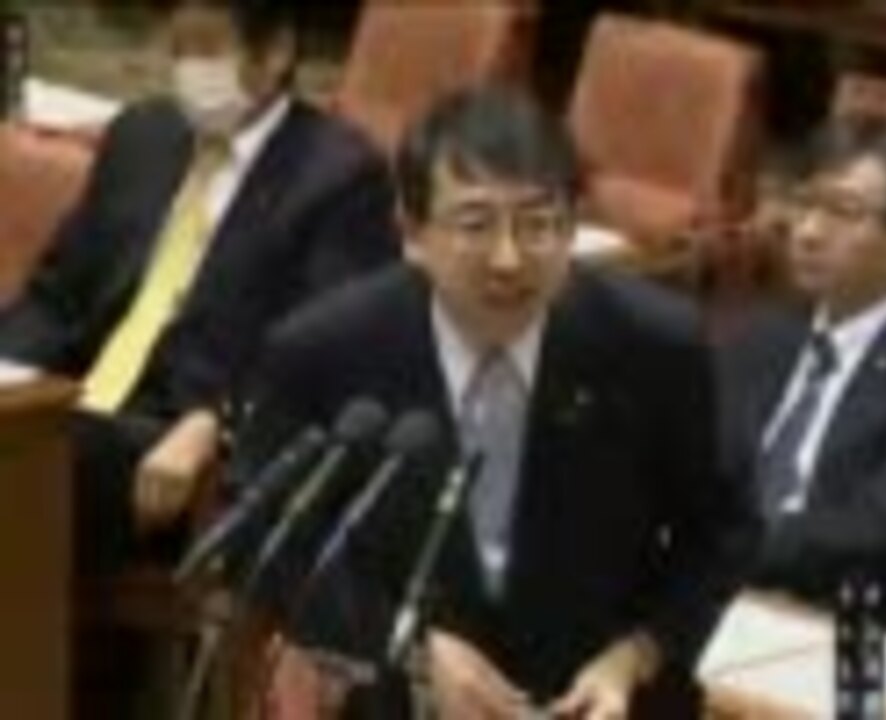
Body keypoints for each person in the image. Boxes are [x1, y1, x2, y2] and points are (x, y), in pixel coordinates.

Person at [233, 86, 753, 718]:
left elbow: (721, 533)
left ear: (573, 225)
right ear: (412, 232)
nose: (509, 260)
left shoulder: (654, 346)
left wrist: (635, 654)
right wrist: (407, 645)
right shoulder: (323, 351)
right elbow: (272, 537)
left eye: (538, 224)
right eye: (475, 225)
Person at [0, 0, 399, 571]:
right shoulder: (143, 135)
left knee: (40, 462)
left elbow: (327, 358)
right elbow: (57, 295)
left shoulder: (338, 177)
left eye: (208, 50)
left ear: (276, 51)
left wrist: (218, 423)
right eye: (178, 50)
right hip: (70, 403)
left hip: (173, 441)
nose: (189, 71)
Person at [719, 115, 886, 624]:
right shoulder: (761, 335)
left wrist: (724, 546)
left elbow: (883, 527)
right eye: (804, 202)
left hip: (850, 618)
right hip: (722, 593)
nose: (808, 232)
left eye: (844, 212)